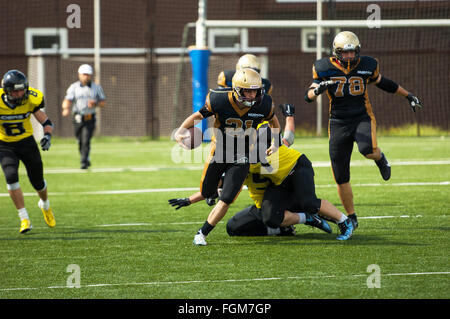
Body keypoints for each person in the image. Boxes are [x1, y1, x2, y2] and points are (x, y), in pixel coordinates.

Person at [305, 31, 423, 229]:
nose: (350, 56)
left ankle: (380, 158)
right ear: (336, 52)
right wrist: (317, 91)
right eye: (345, 53)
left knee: (367, 150)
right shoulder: (323, 67)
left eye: (353, 52)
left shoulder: (367, 65)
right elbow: (308, 96)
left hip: (362, 117)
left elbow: (382, 83)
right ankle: (351, 216)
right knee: (340, 174)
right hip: (338, 122)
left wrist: (408, 95)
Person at [174, 68, 280, 246]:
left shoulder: (263, 104)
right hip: (220, 151)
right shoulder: (219, 99)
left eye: (256, 91)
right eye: (248, 91)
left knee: (228, 198)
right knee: (207, 191)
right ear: (237, 89)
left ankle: (202, 233)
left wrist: (275, 142)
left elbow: (274, 120)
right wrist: (181, 130)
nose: (253, 95)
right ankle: (215, 190)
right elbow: (198, 115)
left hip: (243, 153)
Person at [0, 70, 55, 233]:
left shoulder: (31, 98)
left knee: (37, 181)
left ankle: (45, 205)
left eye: (21, 89)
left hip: (26, 143)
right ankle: (24, 218)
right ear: (7, 91)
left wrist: (47, 136)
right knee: (11, 177)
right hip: (5, 144)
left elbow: (46, 121)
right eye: (15, 91)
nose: (19, 94)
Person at [62, 64, 106, 169]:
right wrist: (66, 108)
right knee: (80, 140)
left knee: (86, 139)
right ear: (79, 75)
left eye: (88, 74)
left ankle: (84, 161)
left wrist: (95, 103)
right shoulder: (74, 87)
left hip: (90, 117)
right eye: (84, 74)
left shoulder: (97, 88)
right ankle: (85, 157)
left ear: (91, 75)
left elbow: (103, 102)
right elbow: (67, 100)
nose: (86, 77)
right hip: (78, 118)